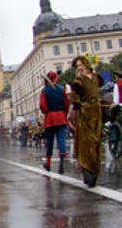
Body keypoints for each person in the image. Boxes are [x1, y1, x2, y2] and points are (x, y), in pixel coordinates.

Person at [69, 55, 103, 187]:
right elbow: (74, 94)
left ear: (86, 64)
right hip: (85, 113)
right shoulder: (79, 81)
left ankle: (94, 170)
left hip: (96, 113)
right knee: (85, 142)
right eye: (77, 66)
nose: (80, 68)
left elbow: (99, 86)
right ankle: (87, 171)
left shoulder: (96, 78)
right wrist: (77, 102)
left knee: (96, 142)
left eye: (81, 65)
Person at [40, 71, 69, 173]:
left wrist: (47, 111)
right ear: (55, 79)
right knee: (61, 140)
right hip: (61, 116)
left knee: (50, 142)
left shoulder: (44, 91)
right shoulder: (61, 89)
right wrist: (64, 114)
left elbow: (42, 106)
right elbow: (66, 104)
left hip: (50, 118)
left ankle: (48, 164)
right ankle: (61, 164)